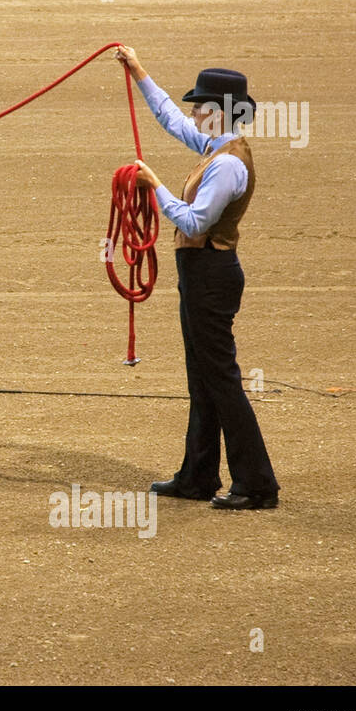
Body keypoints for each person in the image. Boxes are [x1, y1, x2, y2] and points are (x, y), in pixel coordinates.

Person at [114, 45, 280, 511]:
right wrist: (139, 71)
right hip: (202, 273)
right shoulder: (216, 146)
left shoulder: (227, 163)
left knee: (220, 379)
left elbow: (193, 223)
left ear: (220, 112)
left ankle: (256, 483)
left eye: (200, 105)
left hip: (211, 274)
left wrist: (154, 186)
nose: (193, 111)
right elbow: (170, 119)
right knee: (203, 377)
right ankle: (197, 475)